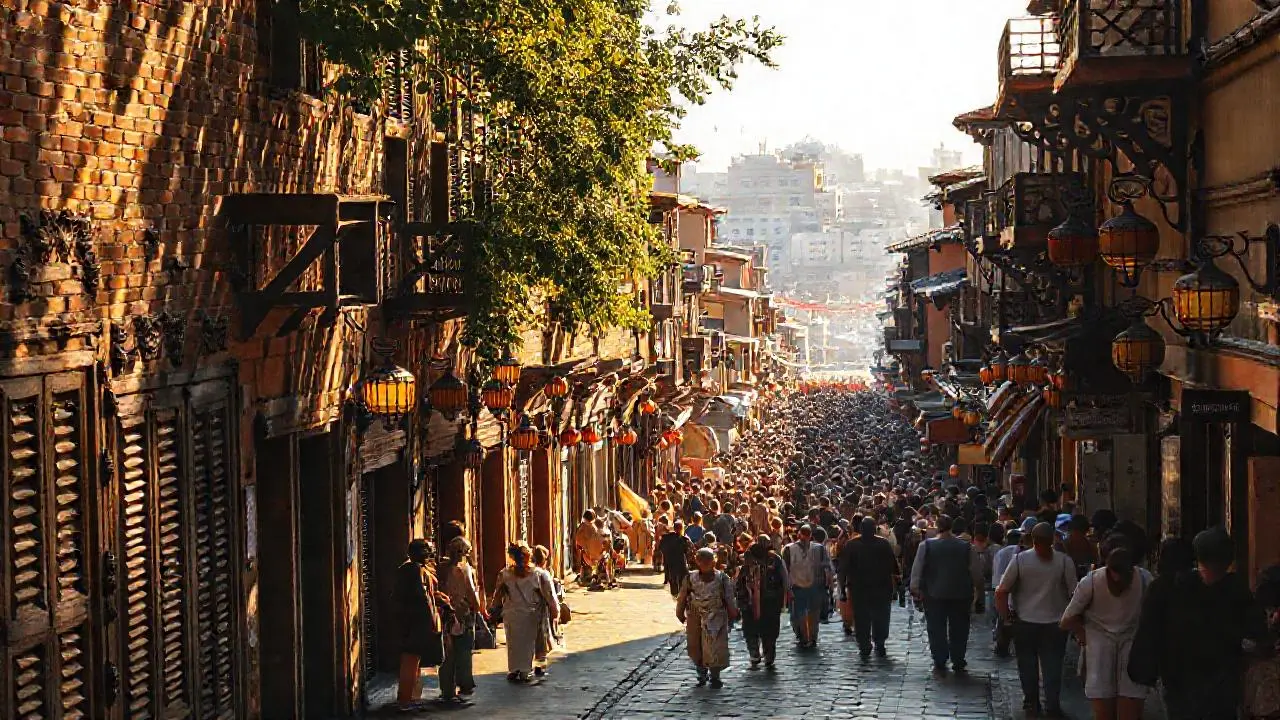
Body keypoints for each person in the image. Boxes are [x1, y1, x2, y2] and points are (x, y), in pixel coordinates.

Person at [1128, 527, 1268, 720]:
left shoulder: (1166, 588)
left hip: (1179, 681)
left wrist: (1145, 671)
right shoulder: (1237, 590)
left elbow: (1149, 632)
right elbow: (1255, 633)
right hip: (1222, 684)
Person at [1060, 542, 1151, 720]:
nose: (1117, 580)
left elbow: (1067, 620)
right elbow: (1067, 619)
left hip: (1125, 645)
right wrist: (1082, 634)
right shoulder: (1093, 581)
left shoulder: (1143, 579)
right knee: (1109, 703)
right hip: (1102, 646)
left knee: (1125, 701)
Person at [996, 522, 1078, 718]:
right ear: (1052, 540)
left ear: (1032, 539)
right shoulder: (1064, 562)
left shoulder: (1020, 561)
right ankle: (1052, 704)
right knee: (1052, 665)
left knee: (1027, 664)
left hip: (1025, 621)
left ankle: (1031, 701)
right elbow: (1075, 593)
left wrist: (1006, 617)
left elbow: (1001, 591)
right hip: (1055, 623)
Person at [910, 514, 983, 676]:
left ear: (936, 526)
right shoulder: (966, 547)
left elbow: (917, 570)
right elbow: (976, 573)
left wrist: (915, 589)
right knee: (960, 628)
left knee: (936, 627)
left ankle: (940, 657)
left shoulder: (926, 546)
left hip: (934, 594)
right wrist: (979, 591)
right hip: (961, 594)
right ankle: (958, 658)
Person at [492, 543, 557, 684]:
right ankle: (525, 670)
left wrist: (494, 610)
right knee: (528, 643)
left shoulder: (504, 574)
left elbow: (498, 595)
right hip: (531, 614)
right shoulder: (539, 574)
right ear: (529, 556)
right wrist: (555, 610)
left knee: (514, 643)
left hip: (511, 614)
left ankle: (515, 669)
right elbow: (550, 595)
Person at [394, 539, 446, 711]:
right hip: (415, 621)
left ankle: (411, 697)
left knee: (414, 660)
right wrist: (431, 620)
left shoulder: (415, 569)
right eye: (427, 550)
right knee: (410, 659)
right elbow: (423, 597)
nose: (430, 553)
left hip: (414, 620)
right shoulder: (414, 570)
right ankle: (405, 700)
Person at [676, 547, 738, 689]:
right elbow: (682, 597)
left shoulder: (722, 578)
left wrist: (733, 612)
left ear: (714, 561)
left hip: (716, 617)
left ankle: (715, 676)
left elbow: (729, 597)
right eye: (702, 560)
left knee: (715, 647)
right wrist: (680, 613)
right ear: (697, 561)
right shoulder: (690, 578)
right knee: (696, 646)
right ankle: (701, 673)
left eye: (708, 560)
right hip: (695, 617)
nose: (705, 563)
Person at [839, 516, 899, 659]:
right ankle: (879, 642)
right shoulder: (883, 544)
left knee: (862, 617)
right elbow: (894, 566)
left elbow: (843, 569)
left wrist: (842, 588)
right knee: (880, 616)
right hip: (880, 588)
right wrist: (898, 583)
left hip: (861, 588)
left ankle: (865, 643)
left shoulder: (852, 545)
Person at [438, 537, 483, 704]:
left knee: (447, 653)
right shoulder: (465, 569)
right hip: (462, 614)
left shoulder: (441, 567)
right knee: (463, 652)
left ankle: (447, 690)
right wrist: (477, 608)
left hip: (445, 613)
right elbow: (471, 592)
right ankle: (464, 685)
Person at [735, 535, 789, 669]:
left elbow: (737, 584)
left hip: (760, 602)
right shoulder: (773, 559)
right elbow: (785, 578)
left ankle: (757, 654)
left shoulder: (771, 560)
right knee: (766, 630)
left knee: (754, 629)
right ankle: (767, 655)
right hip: (766, 602)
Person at [783, 524, 833, 649]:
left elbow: (785, 570)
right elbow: (828, 568)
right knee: (808, 613)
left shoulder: (791, 549)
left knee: (804, 613)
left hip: (804, 586)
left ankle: (806, 637)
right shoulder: (818, 549)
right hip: (807, 586)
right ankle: (809, 637)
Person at [532, 545, 563, 677]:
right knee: (541, 641)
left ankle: (521, 668)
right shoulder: (543, 574)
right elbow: (550, 595)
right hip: (539, 611)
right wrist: (556, 610)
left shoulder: (528, 572)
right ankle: (540, 668)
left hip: (523, 610)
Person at [659, 519, 693, 597]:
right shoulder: (685, 540)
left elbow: (661, 547)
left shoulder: (666, 538)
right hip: (681, 562)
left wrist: (666, 555)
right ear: (682, 529)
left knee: (672, 578)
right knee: (681, 579)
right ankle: (680, 594)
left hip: (670, 561)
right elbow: (688, 552)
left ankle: (674, 594)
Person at [573, 510, 604, 586]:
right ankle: (589, 577)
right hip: (594, 552)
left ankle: (584, 577)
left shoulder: (583, 527)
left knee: (584, 565)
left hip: (587, 551)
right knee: (590, 565)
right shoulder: (594, 527)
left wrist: (584, 548)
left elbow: (578, 539)